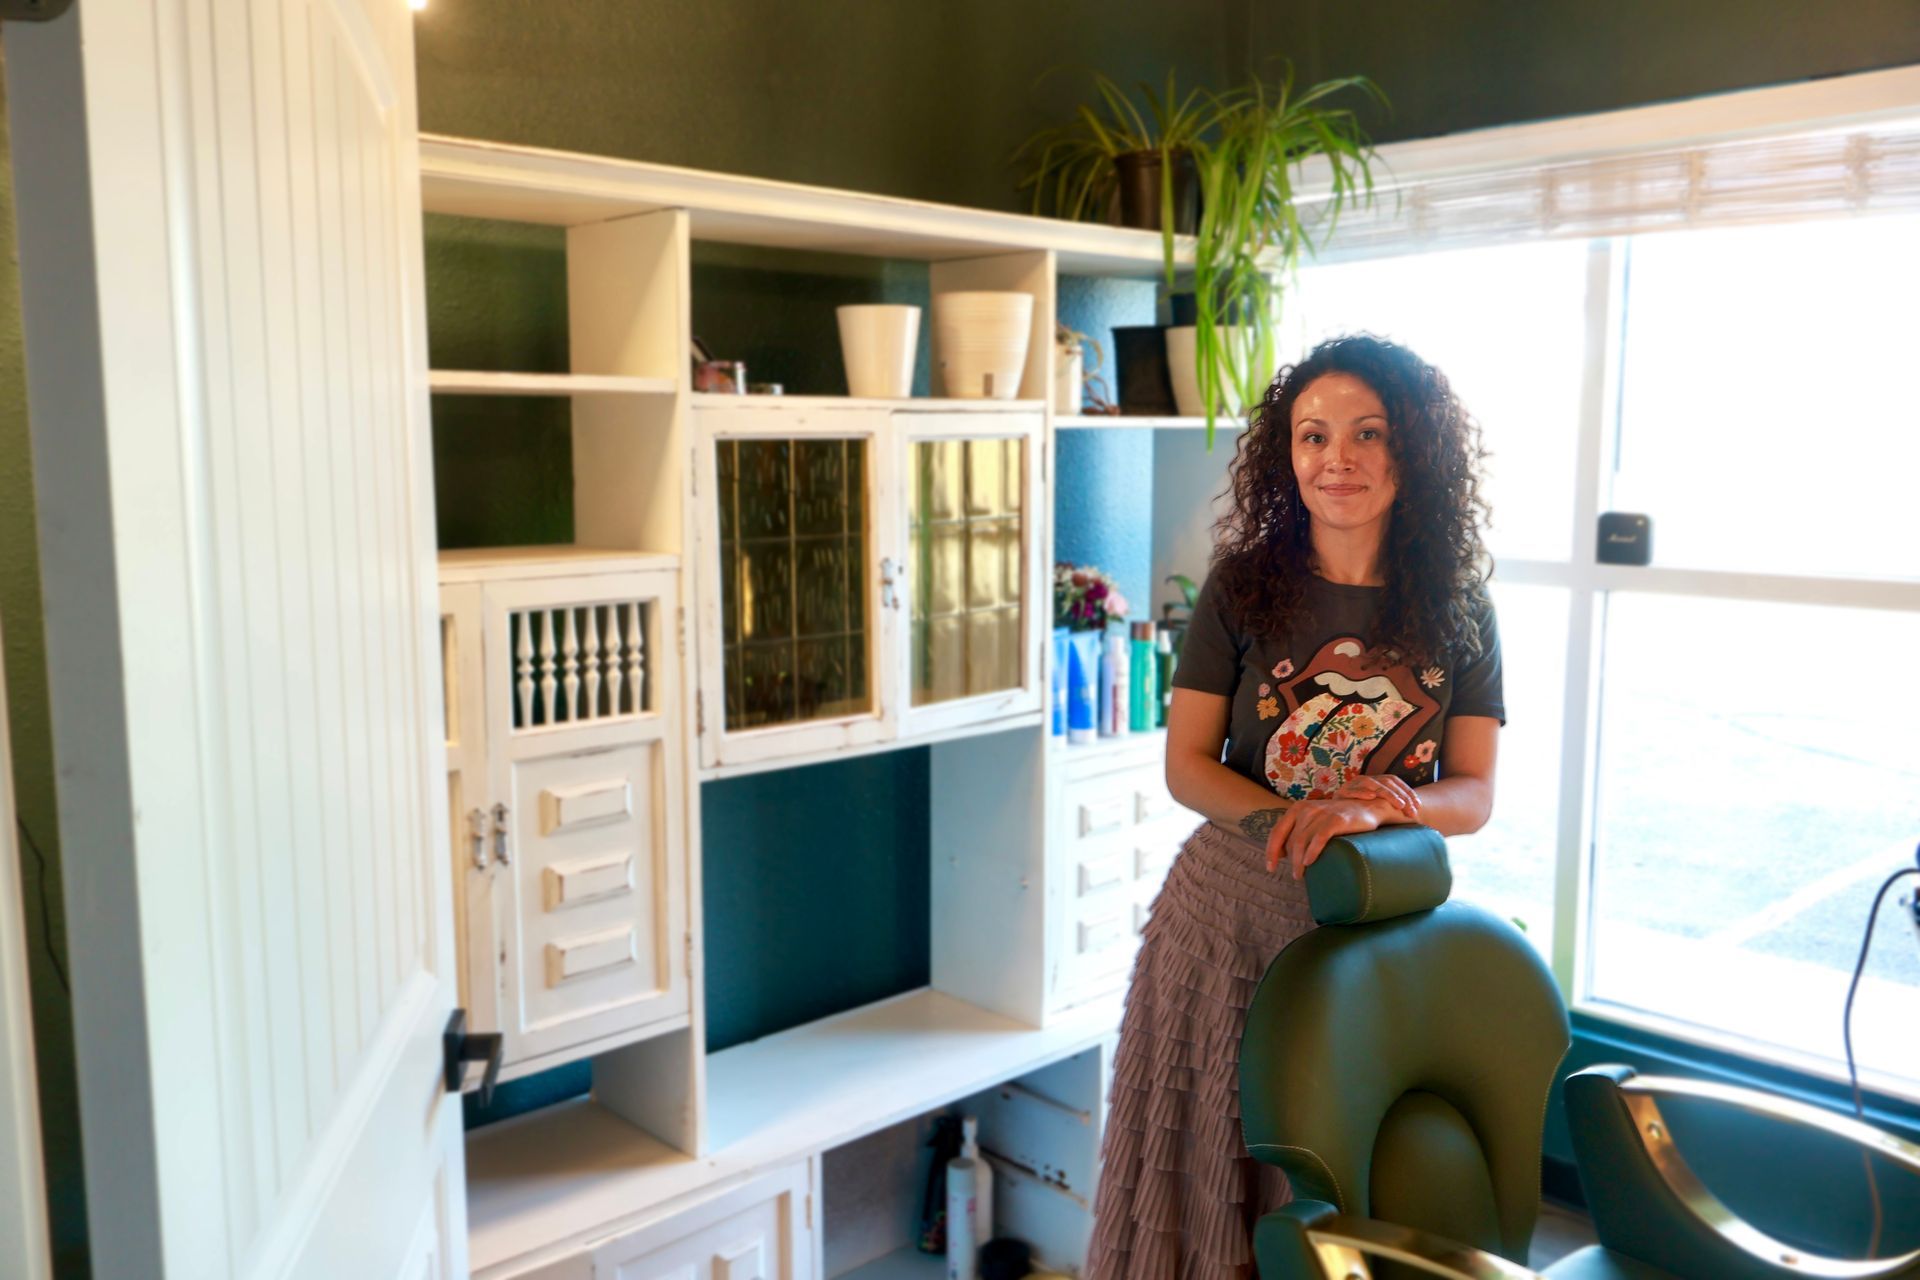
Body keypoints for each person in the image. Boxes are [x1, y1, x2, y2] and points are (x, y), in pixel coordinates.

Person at [1085, 334, 1506, 1280]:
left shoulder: (1461, 604)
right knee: (1201, 1174)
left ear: (1417, 452)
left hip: (1376, 933)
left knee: (1333, 1197)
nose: (1337, 459)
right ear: (1288, 455)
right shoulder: (1242, 586)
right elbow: (1188, 767)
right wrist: (1293, 826)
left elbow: (1474, 794)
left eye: (1368, 433)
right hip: (1229, 917)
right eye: (1313, 436)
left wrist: (1379, 811)